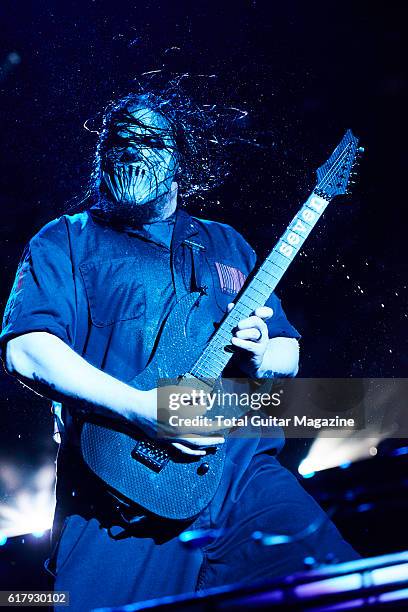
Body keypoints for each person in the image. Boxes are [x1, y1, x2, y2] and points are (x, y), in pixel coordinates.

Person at [0, 89, 358, 611]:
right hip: (121, 494)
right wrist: (143, 410)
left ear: (180, 159)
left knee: (349, 591)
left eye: (148, 140)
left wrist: (261, 354)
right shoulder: (66, 241)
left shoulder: (227, 245)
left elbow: (287, 353)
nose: (131, 150)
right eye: (118, 141)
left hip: (241, 475)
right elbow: (27, 352)